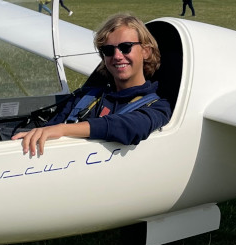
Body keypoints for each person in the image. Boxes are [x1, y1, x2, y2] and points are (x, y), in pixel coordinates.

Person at [14, 13, 171, 157]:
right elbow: (47, 130)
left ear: (146, 51)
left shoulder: (158, 107)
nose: (117, 56)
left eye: (125, 47)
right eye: (108, 50)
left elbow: (130, 128)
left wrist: (63, 129)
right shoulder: (86, 97)